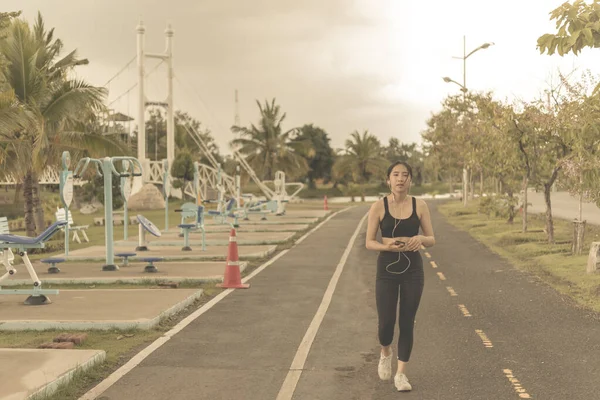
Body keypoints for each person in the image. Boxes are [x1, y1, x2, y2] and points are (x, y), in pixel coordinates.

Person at [365, 161, 435, 392]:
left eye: (405, 175)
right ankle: (385, 351)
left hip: (413, 270)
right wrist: (387, 248)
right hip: (386, 270)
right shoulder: (378, 207)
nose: (400, 178)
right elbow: (369, 242)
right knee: (386, 323)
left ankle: (401, 374)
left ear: (410, 180)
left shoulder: (420, 205)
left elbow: (431, 238)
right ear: (388, 180)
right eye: (396, 174)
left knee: (407, 321)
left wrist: (420, 240)